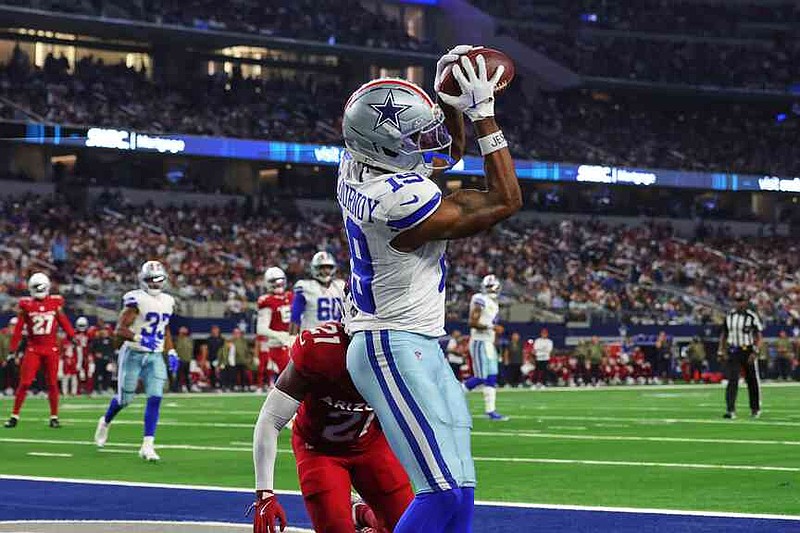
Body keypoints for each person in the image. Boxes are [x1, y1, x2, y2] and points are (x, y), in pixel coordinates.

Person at [339, 45, 521, 532]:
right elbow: (503, 200)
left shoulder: (358, 161)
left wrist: (447, 103)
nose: (429, 141)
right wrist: (480, 114)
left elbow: (439, 151)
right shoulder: (395, 200)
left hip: (415, 340)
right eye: (414, 135)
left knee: (460, 489)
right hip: (390, 341)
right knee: (439, 492)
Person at [251, 322, 413, 533]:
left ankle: (363, 513)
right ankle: (361, 513)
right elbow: (270, 419)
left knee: (411, 526)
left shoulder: (403, 351)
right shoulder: (320, 350)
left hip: (371, 444)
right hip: (319, 450)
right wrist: (264, 494)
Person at [94, 260, 177, 461]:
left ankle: (147, 445)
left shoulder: (168, 300)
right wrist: (139, 338)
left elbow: (164, 328)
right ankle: (105, 421)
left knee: (155, 397)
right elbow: (120, 329)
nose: (155, 284)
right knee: (125, 399)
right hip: (133, 353)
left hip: (155, 355)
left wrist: (172, 350)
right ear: (143, 280)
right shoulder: (136, 300)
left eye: (158, 280)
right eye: (151, 280)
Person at [4, 272, 75, 429]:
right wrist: (13, 349)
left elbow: (63, 321)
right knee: (25, 382)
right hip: (34, 348)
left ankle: (54, 416)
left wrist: (72, 335)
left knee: (52, 383)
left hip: (50, 348)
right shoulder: (27, 305)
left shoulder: (54, 304)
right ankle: (14, 415)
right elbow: (18, 329)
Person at [464, 275, 507, 419]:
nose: (491, 289)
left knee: (492, 377)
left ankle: (491, 411)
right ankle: (453, 396)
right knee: (480, 377)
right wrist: (492, 327)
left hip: (488, 343)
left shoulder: (494, 304)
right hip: (479, 341)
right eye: (489, 287)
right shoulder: (479, 299)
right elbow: (472, 322)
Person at [718, 293, 763, 419]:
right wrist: (721, 351)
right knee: (732, 380)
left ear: (746, 302)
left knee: (752, 380)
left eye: (741, 301)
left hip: (748, 351)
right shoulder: (729, 316)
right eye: (737, 301)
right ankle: (730, 409)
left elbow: (759, 336)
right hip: (734, 351)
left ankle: (755, 408)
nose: (739, 303)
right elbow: (724, 334)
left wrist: (755, 351)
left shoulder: (751, 316)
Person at [255, 267, 293, 392]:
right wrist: (280, 335)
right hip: (278, 346)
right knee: (291, 381)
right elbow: (261, 329)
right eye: (274, 282)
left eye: (281, 281)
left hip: (292, 343)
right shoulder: (266, 301)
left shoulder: (291, 296)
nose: (278, 284)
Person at [290, 251, 346, 335]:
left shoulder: (340, 286)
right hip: (312, 338)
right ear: (315, 268)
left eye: (329, 267)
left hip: (337, 337)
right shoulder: (305, 286)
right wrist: (292, 338)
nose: (326, 271)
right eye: (322, 267)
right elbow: (295, 316)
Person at [90, 326, 115, 393]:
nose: (104, 332)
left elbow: (113, 350)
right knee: (97, 374)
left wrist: (111, 359)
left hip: (108, 360)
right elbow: (92, 349)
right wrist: (96, 353)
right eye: (103, 331)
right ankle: (95, 389)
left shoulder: (110, 340)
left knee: (107, 375)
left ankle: (105, 388)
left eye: (106, 331)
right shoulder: (96, 340)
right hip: (99, 361)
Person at [173, 326, 193, 392]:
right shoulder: (177, 339)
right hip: (180, 360)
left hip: (187, 360)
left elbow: (190, 350)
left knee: (187, 376)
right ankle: (176, 389)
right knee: (178, 376)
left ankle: (189, 388)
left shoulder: (189, 339)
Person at [205, 325, 224, 389]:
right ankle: (213, 385)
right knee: (212, 373)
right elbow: (207, 350)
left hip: (220, 359)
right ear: (212, 331)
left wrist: (223, 360)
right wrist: (207, 360)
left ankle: (221, 385)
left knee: (220, 373)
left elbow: (224, 350)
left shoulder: (222, 339)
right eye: (214, 329)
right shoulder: (209, 339)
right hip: (211, 358)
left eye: (216, 329)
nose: (215, 331)